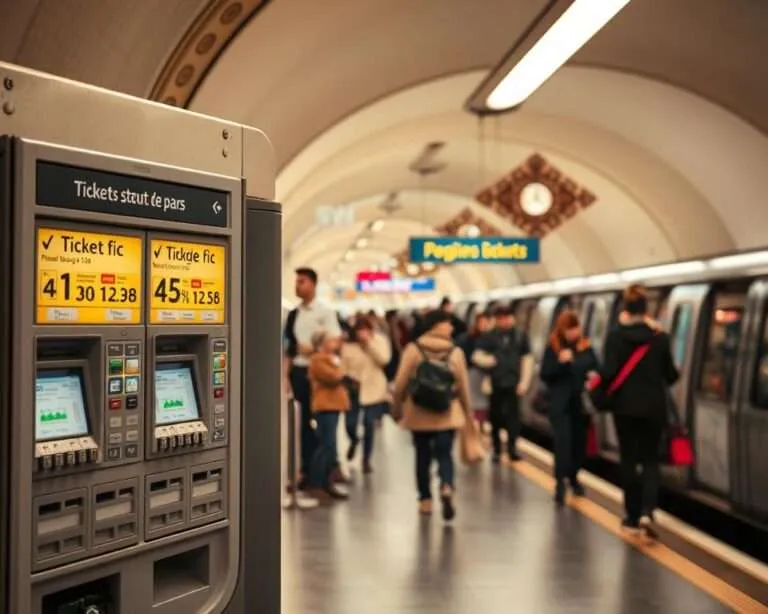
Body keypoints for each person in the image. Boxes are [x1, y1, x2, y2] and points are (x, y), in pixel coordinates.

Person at [601, 284, 679, 533]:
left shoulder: (615, 337)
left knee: (628, 459)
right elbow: (671, 374)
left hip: (624, 409)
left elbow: (609, 373)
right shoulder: (660, 338)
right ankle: (648, 511)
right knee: (650, 459)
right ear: (647, 310)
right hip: (654, 408)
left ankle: (631, 516)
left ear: (625, 308)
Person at [391, 309, 473, 521]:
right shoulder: (455, 352)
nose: (452, 327)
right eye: (448, 323)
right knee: (445, 454)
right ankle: (446, 485)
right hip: (447, 412)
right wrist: (468, 413)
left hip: (419, 414)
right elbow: (463, 387)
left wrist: (396, 409)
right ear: (437, 325)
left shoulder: (413, 349)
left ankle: (425, 500)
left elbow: (400, 383)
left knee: (422, 456)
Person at [283, 267, 342, 490]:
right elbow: (289, 349)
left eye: (302, 282)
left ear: (314, 284)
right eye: (296, 281)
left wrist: (315, 348)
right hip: (300, 374)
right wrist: (286, 376)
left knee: (325, 425)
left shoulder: (325, 312)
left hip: (320, 375)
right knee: (304, 424)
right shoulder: (293, 315)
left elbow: (335, 341)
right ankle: (306, 472)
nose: (298, 285)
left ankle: (327, 473)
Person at [540, 309, 599, 505]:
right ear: (562, 331)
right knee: (562, 444)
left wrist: (592, 375)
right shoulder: (553, 348)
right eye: (570, 329)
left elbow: (596, 366)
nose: (574, 333)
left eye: (576, 328)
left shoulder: (586, 347)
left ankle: (573, 476)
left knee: (579, 447)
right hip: (560, 405)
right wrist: (560, 363)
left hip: (581, 405)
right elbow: (545, 374)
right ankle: (560, 484)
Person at [476, 304, 533, 462]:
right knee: (496, 417)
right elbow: (477, 355)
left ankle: (512, 448)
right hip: (495, 383)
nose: (505, 321)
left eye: (507, 317)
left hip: (514, 383)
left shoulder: (521, 336)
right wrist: (488, 361)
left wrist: (524, 382)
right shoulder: (489, 337)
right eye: (501, 318)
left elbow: (527, 359)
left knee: (514, 417)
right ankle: (496, 449)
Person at [341, 317, 392, 473]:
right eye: (360, 330)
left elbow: (384, 360)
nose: (363, 333)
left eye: (366, 330)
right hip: (354, 389)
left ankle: (366, 459)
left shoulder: (380, 341)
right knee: (350, 423)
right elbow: (344, 366)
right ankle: (354, 440)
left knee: (369, 423)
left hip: (374, 388)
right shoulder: (348, 346)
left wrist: (369, 344)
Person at [308, 330, 351, 499]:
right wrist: (342, 369)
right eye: (331, 340)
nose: (336, 342)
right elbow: (334, 377)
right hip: (325, 406)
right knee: (326, 445)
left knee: (330, 445)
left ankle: (327, 482)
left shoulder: (332, 359)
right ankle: (317, 482)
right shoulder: (318, 360)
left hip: (333, 406)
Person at [457, 311, 494, 427]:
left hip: (488, 377)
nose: (484, 325)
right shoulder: (467, 338)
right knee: (474, 403)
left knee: (483, 405)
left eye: (486, 322)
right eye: (481, 322)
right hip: (472, 374)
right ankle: (472, 427)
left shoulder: (493, 338)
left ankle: (479, 426)